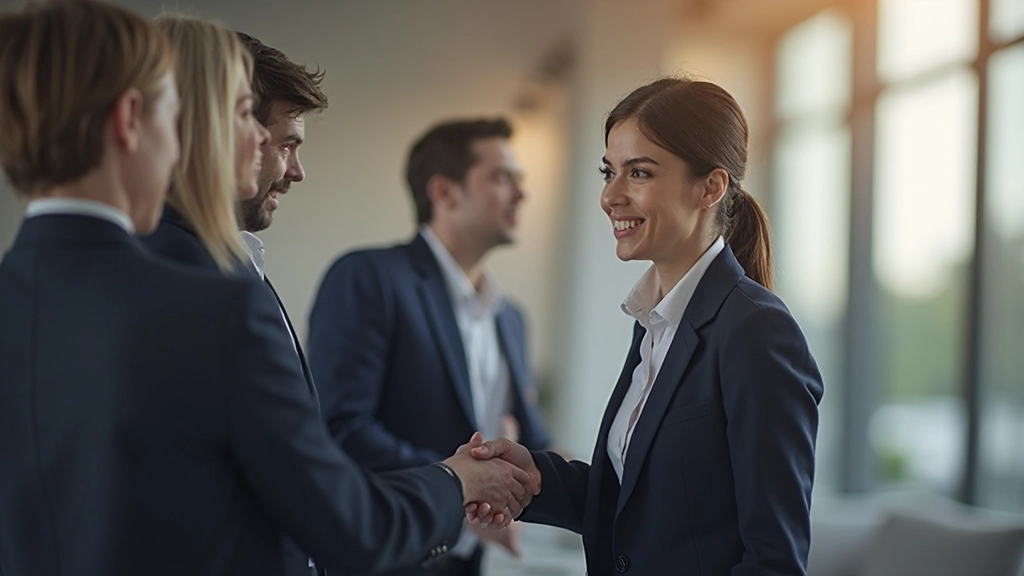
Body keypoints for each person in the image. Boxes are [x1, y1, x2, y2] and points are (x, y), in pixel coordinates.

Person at [0, 3, 536, 575]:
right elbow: (350, 528)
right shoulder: (209, 309)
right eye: (237, 114)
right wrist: (455, 481)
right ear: (135, 119)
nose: (257, 139)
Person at [468, 77, 825, 576]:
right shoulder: (656, 322)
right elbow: (647, 510)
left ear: (711, 186)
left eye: (638, 173)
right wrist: (535, 475)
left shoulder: (756, 332)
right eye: (608, 171)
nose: (610, 196)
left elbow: (775, 561)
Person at [308, 118, 552, 576]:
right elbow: (340, 427)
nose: (522, 194)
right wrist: (464, 485)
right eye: (503, 178)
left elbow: (534, 441)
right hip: (386, 557)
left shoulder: (511, 317)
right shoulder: (369, 278)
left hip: (469, 564)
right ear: (444, 192)